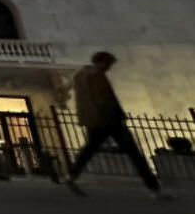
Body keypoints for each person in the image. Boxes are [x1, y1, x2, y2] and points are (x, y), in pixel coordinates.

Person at [66, 51, 171, 200]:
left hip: (93, 120)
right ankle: (154, 189)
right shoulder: (96, 75)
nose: (109, 68)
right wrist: (117, 115)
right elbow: (103, 99)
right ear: (102, 62)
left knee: (89, 150)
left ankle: (71, 176)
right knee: (134, 154)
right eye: (109, 64)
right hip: (109, 120)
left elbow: (83, 101)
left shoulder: (80, 75)